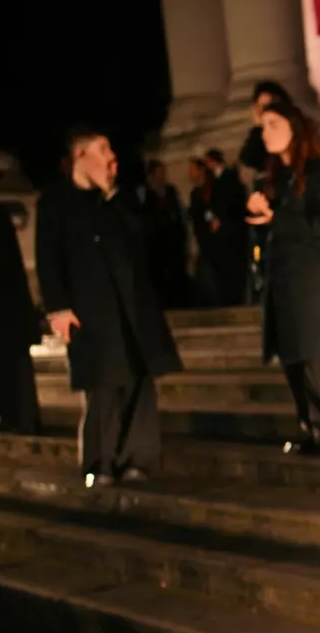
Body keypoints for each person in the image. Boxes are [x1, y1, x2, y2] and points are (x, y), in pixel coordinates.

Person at [36, 129, 182, 486]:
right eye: (103, 150)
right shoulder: (55, 201)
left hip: (132, 307)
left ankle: (137, 458)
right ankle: (99, 462)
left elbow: (142, 238)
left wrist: (112, 194)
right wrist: (58, 308)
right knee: (102, 385)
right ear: (81, 155)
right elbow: (48, 258)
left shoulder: (119, 198)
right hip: (90, 309)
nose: (110, 156)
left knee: (138, 380)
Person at [245, 100, 320, 459]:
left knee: (315, 361)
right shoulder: (283, 178)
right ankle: (309, 427)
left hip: (313, 285)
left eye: (273, 124)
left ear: (295, 129)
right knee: (293, 360)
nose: (265, 133)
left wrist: (275, 217)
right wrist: (266, 217)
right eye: (263, 126)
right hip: (284, 284)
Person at [0, 190, 41, 434]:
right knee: (6, 367)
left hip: (7, 309)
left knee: (14, 366)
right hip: (6, 310)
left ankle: (23, 420)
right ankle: (15, 417)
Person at [196, 147, 251, 305]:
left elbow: (234, 205)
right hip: (223, 235)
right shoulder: (215, 181)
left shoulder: (229, 179)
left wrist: (221, 220)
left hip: (231, 234)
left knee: (232, 270)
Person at [139, 160, 189, 310]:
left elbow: (180, 215)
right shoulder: (146, 193)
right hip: (156, 245)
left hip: (173, 244)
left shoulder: (170, 191)